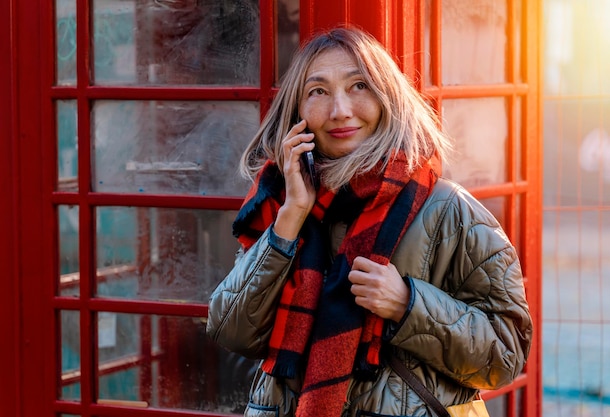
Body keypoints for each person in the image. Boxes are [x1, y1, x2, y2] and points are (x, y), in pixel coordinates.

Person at [206, 26, 532, 417]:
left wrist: (408, 304)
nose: (340, 110)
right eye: (318, 91)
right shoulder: (280, 204)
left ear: (387, 97)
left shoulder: (450, 211)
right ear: (297, 111)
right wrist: (291, 216)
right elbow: (231, 330)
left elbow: (505, 357)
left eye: (359, 85)